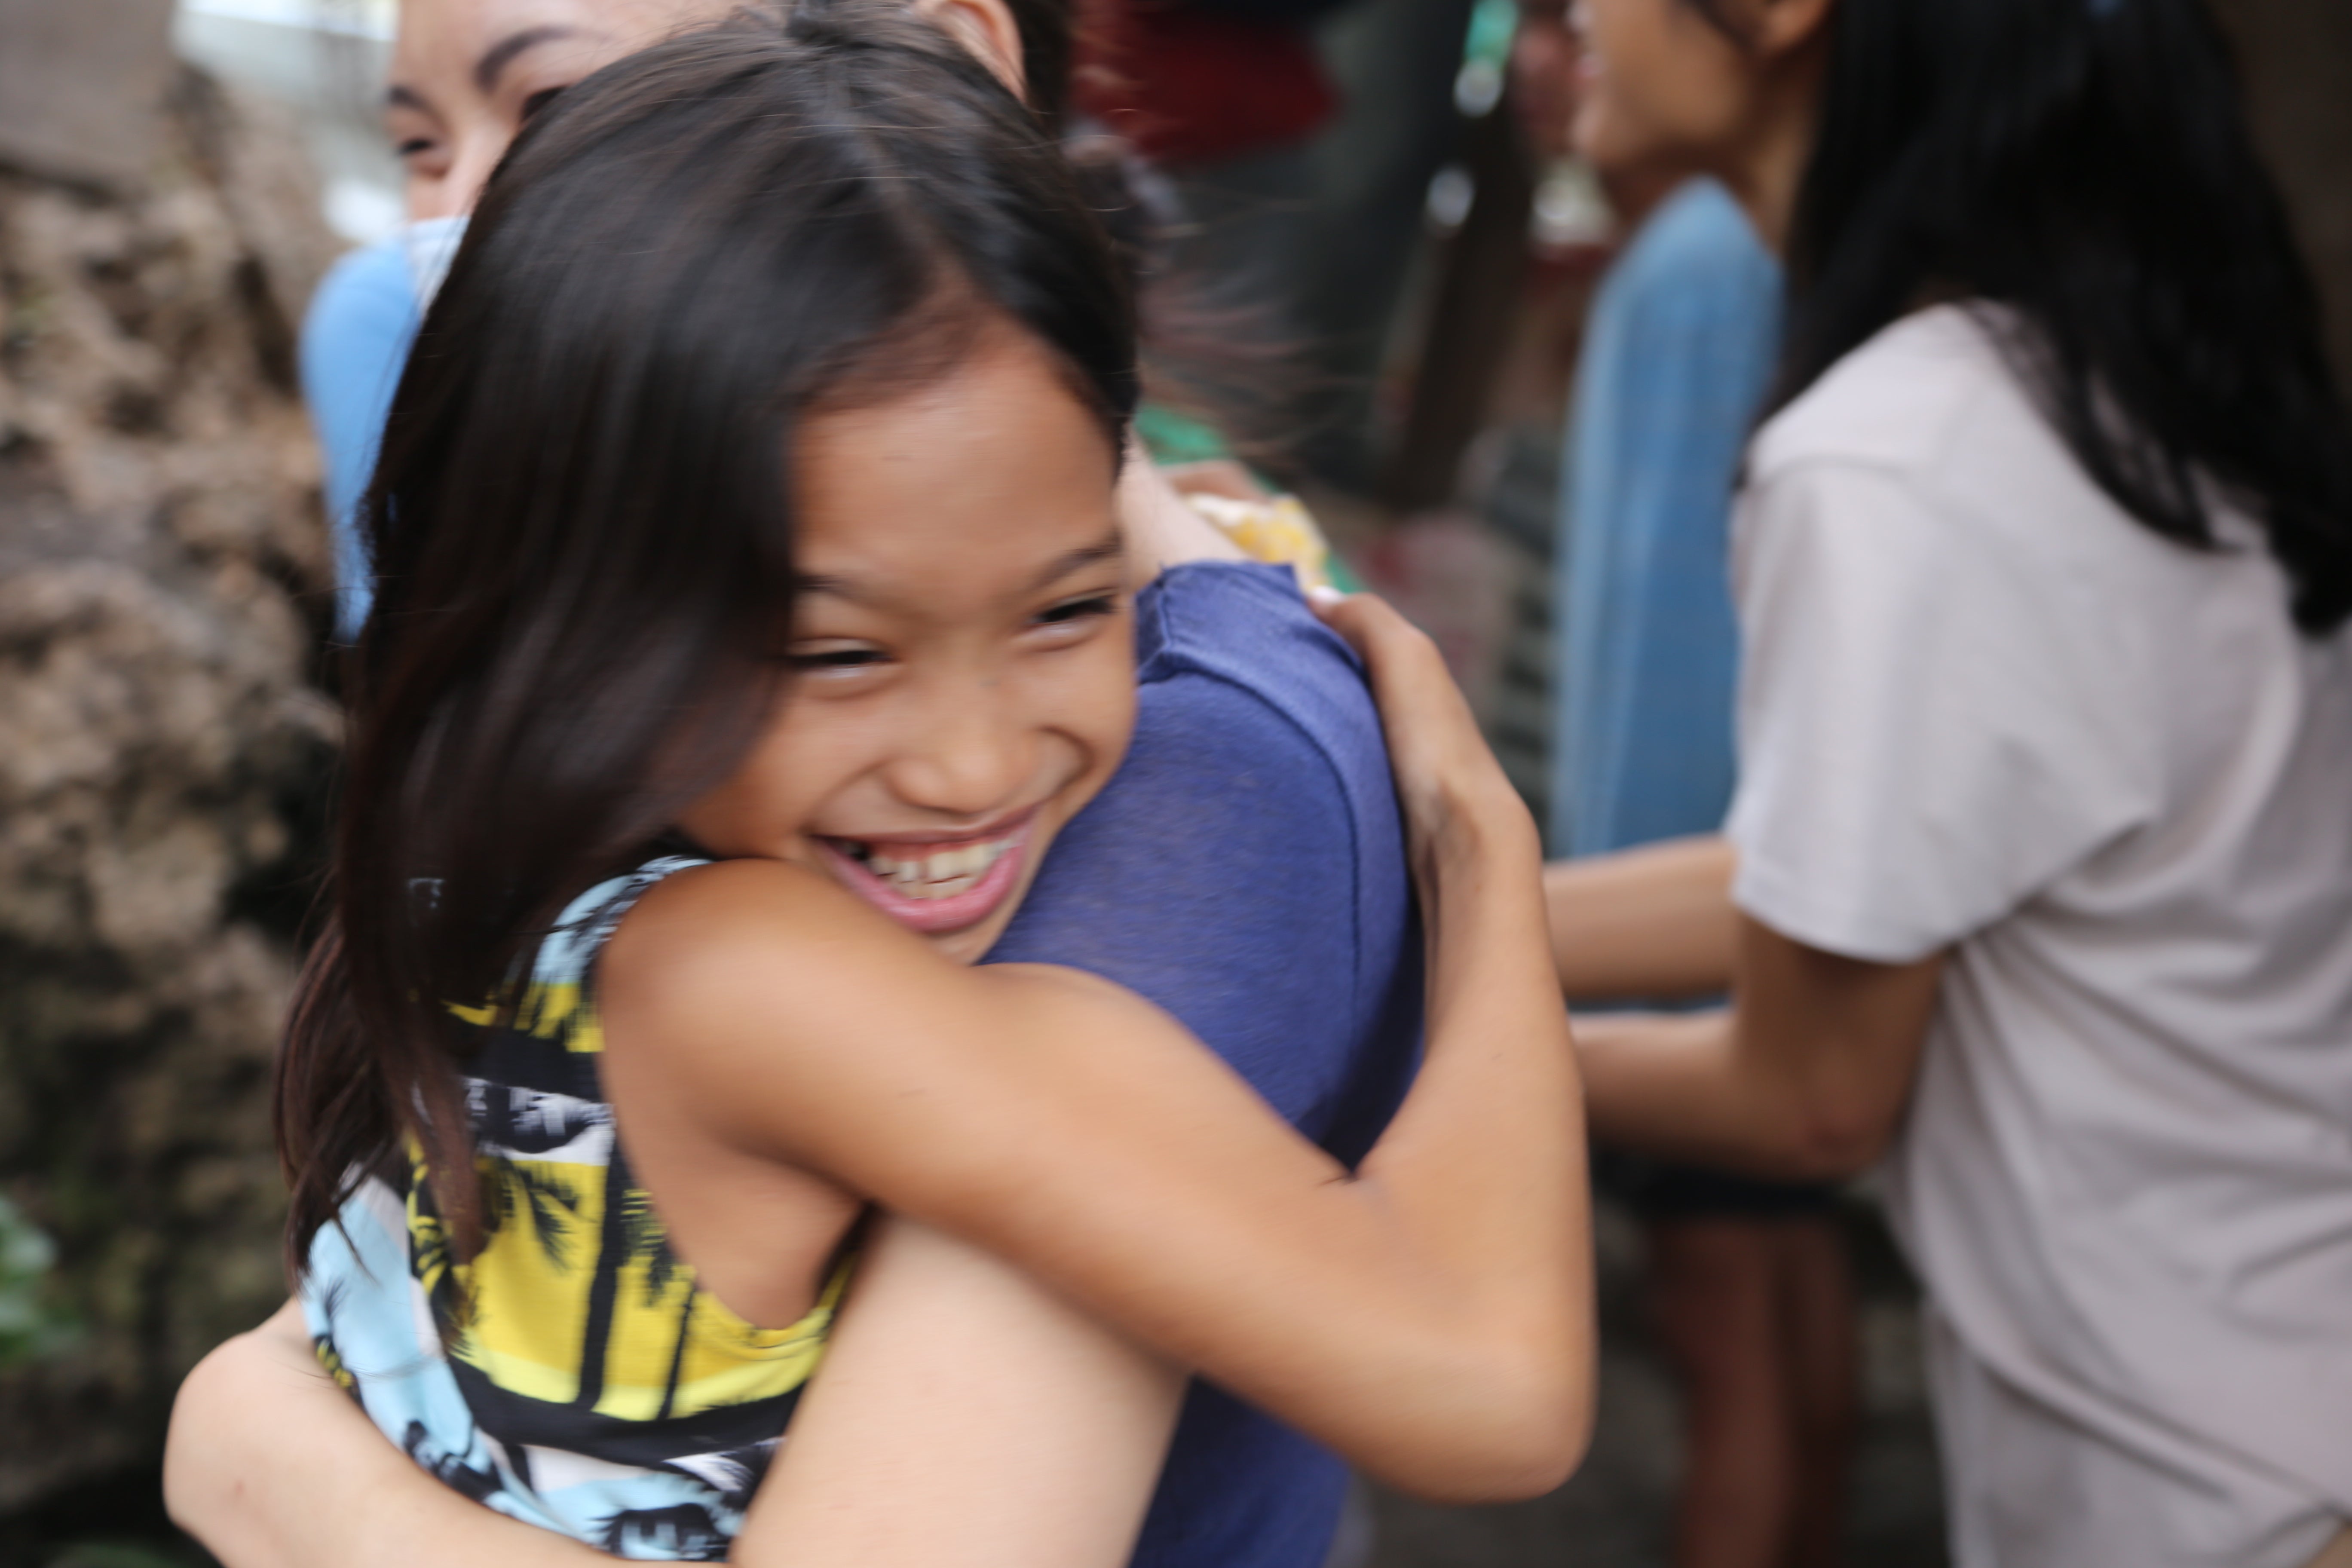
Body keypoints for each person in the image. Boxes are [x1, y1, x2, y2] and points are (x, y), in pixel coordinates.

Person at [166, 11, 1593, 1568]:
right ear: (589, 612)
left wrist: (244, 1445)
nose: (971, 762)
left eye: (1068, 609)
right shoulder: (761, 980)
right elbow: (1493, 1391)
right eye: (840, 654)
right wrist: (1480, 853)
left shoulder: (491, 873)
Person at [1540, 0, 2352, 1564]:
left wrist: (1417, 1041)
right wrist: (1425, 911)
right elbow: (1845, 870)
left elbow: (1808, 1099)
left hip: (2215, 1477)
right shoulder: (2094, 401)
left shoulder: (1892, 460)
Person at [1552, 161, 1855, 1568]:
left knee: (1718, 1316)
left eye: (1580, 44)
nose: (1561, 64)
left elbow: (1660, 667)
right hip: (1765, 901)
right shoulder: (1777, 253)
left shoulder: (1705, 267)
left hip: (1689, 925)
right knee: (1787, 1293)